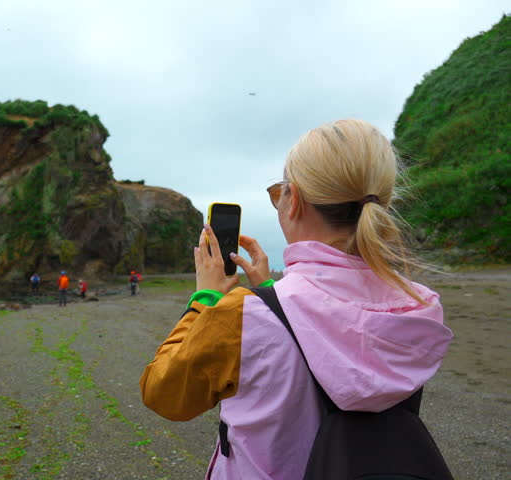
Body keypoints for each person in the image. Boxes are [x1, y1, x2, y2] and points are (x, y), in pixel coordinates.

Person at [139, 119, 452, 479]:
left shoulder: (241, 315)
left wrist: (207, 297)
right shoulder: (418, 307)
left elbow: (162, 393)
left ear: (295, 200)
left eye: (280, 192)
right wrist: (271, 294)